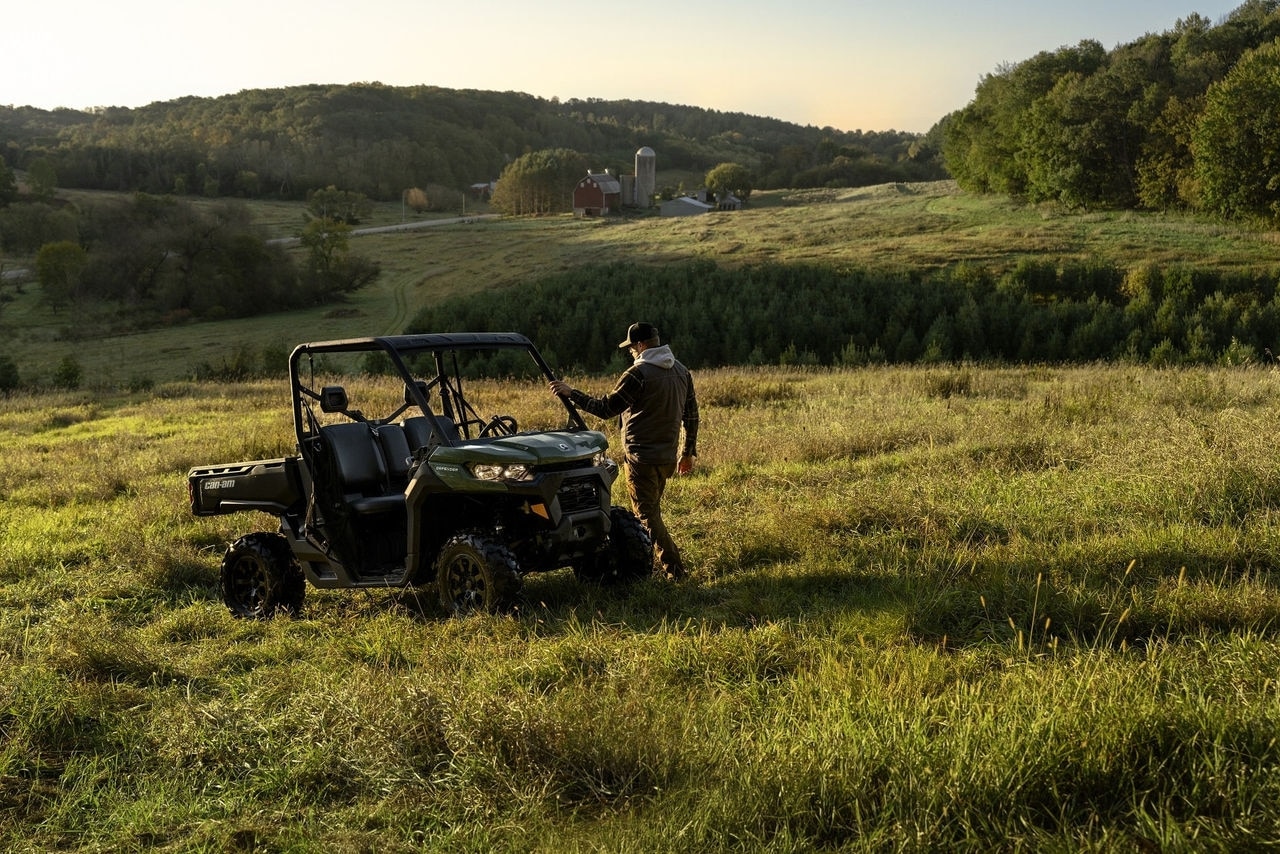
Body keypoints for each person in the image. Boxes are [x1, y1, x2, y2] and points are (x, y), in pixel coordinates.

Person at [550, 322, 699, 580]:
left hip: (641, 457)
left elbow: (607, 409)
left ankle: (675, 570)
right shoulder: (682, 371)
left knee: (646, 516)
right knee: (652, 513)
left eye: (631, 347)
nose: (631, 352)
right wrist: (687, 453)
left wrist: (571, 393)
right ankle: (651, 561)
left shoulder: (637, 374)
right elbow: (692, 416)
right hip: (666, 457)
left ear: (640, 345)